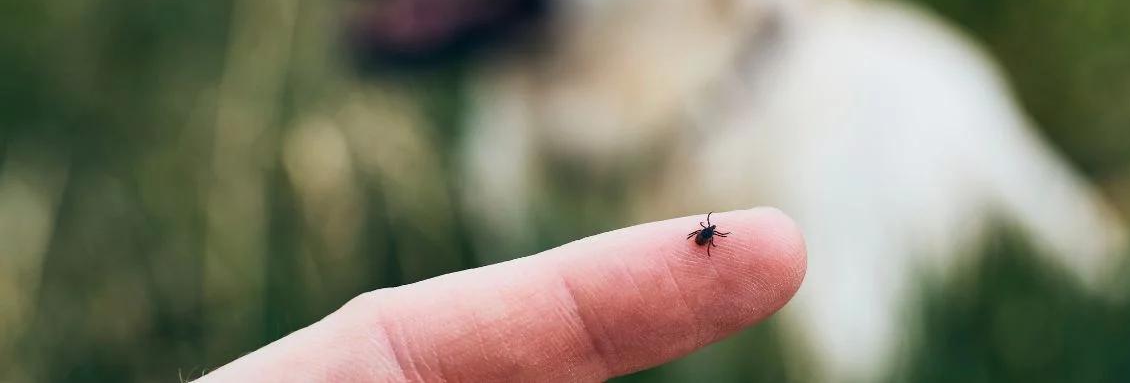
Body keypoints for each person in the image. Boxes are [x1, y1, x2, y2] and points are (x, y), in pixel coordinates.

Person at [198, 208, 806, 381]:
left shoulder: (701, 238)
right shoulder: (703, 239)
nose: (707, 236)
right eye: (706, 234)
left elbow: (702, 237)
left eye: (706, 234)